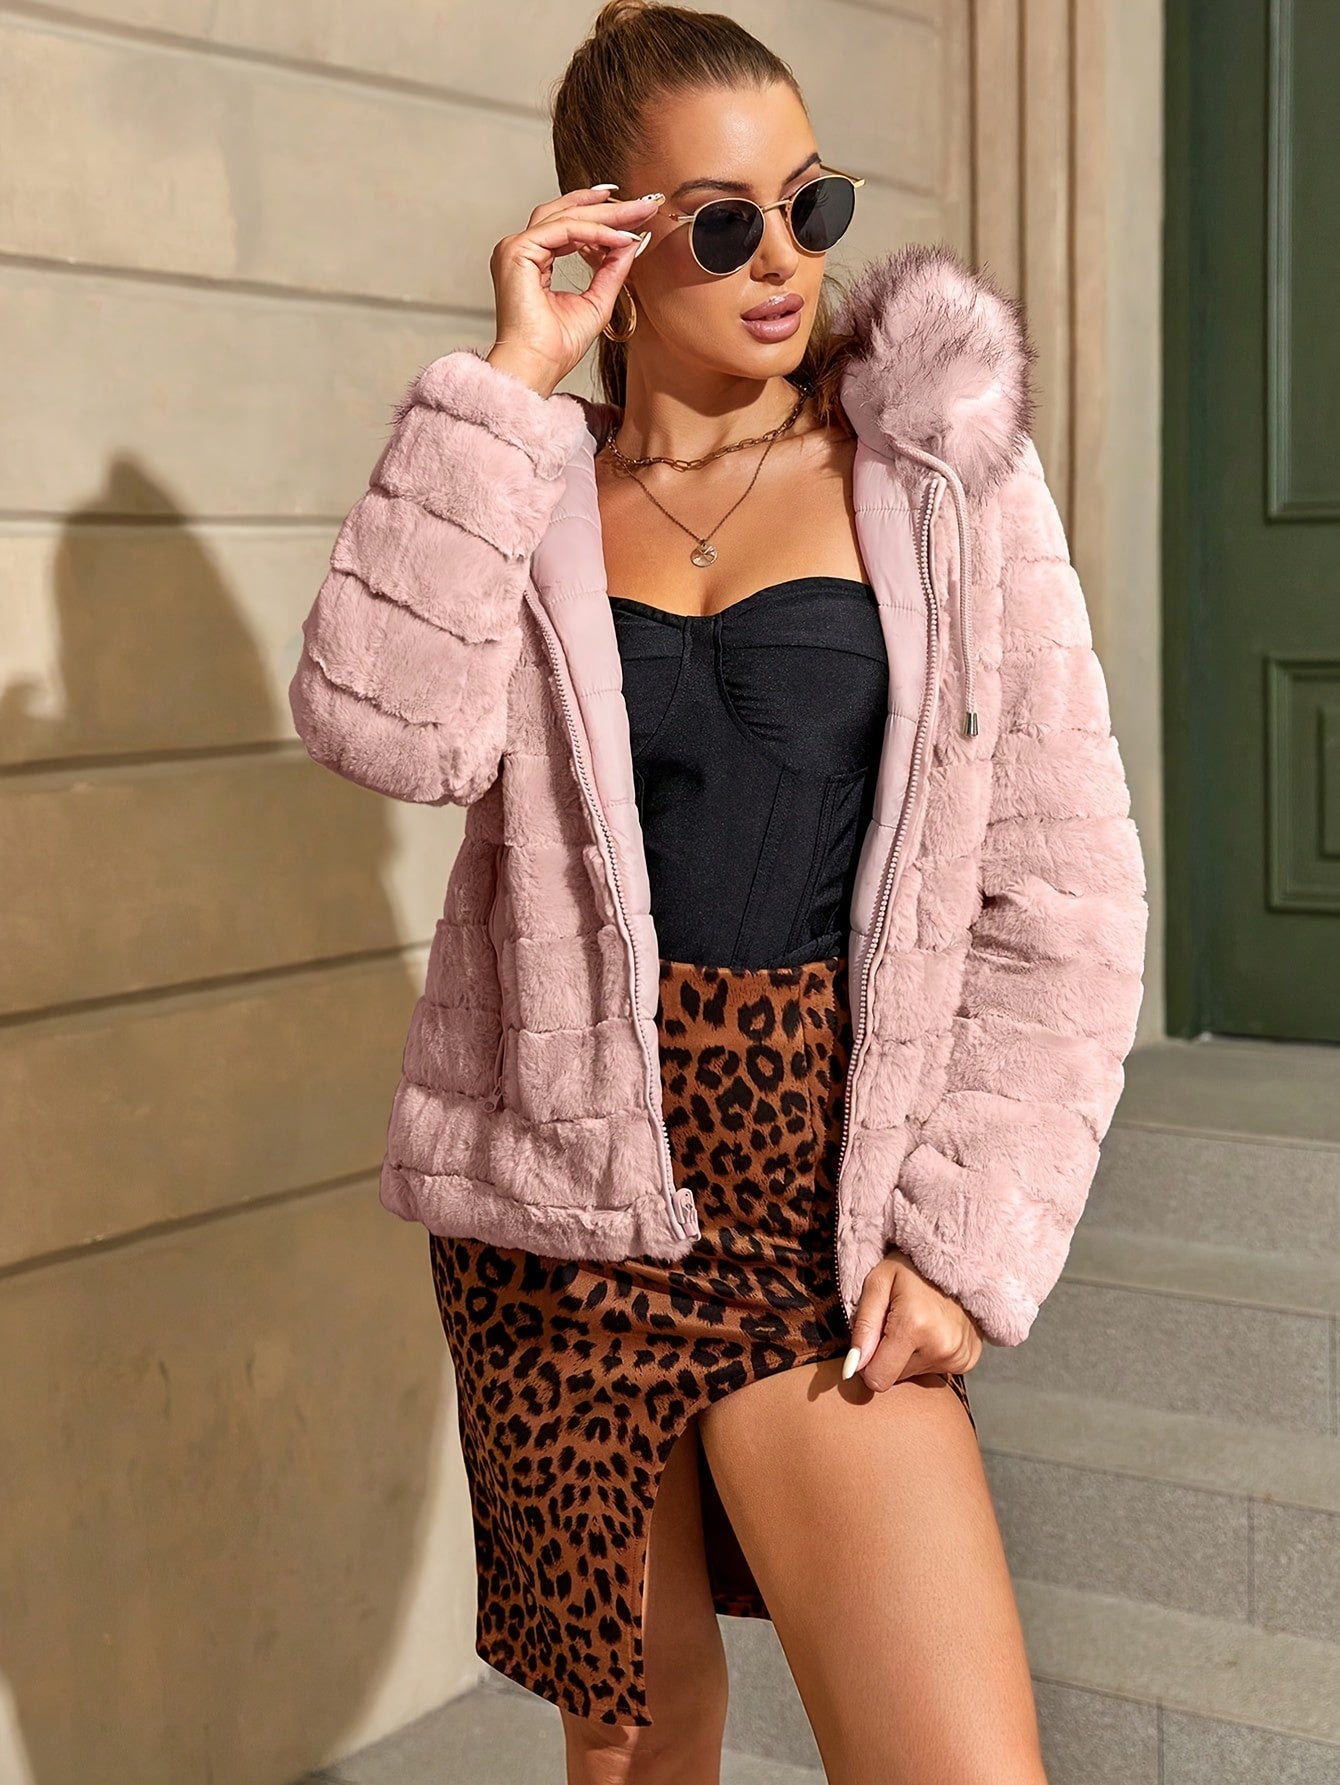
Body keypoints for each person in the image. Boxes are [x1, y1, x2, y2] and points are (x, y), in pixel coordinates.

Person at [287, 3, 1147, 1779]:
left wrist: (964, 1240)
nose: (785, 263)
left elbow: (1064, 896)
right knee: (639, 1742)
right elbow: (381, 727)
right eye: (727, 222)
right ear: (611, 245)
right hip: (557, 1199)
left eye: (812, 206)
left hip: (815, 1207)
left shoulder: (937, 478)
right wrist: (509, 381)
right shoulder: (529, 486)